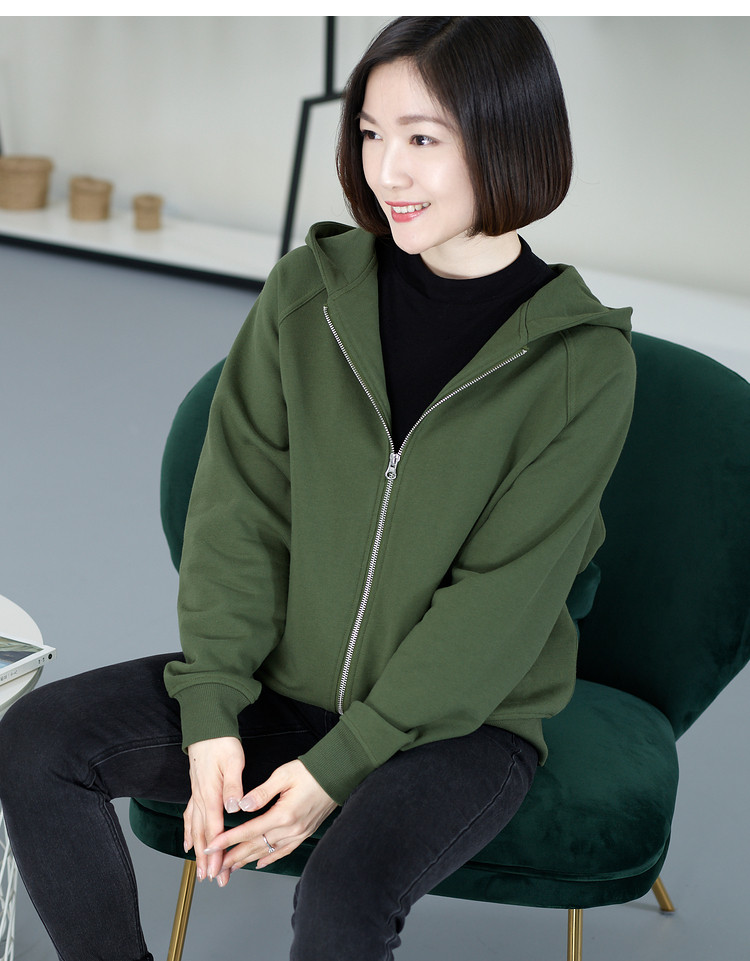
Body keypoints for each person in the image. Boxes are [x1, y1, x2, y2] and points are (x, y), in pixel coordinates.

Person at [0, 16, 636, 961]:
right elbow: (238, 514)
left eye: (422, 138)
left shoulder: (582, 364)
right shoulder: (309, 294)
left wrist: (339, 765)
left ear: (509, 138)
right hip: (286, 687)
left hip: (461, 727)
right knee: (36, 741)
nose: (388, 171)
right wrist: (213, 708)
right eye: (371, 134)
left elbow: (497, 607)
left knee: (343, 894)